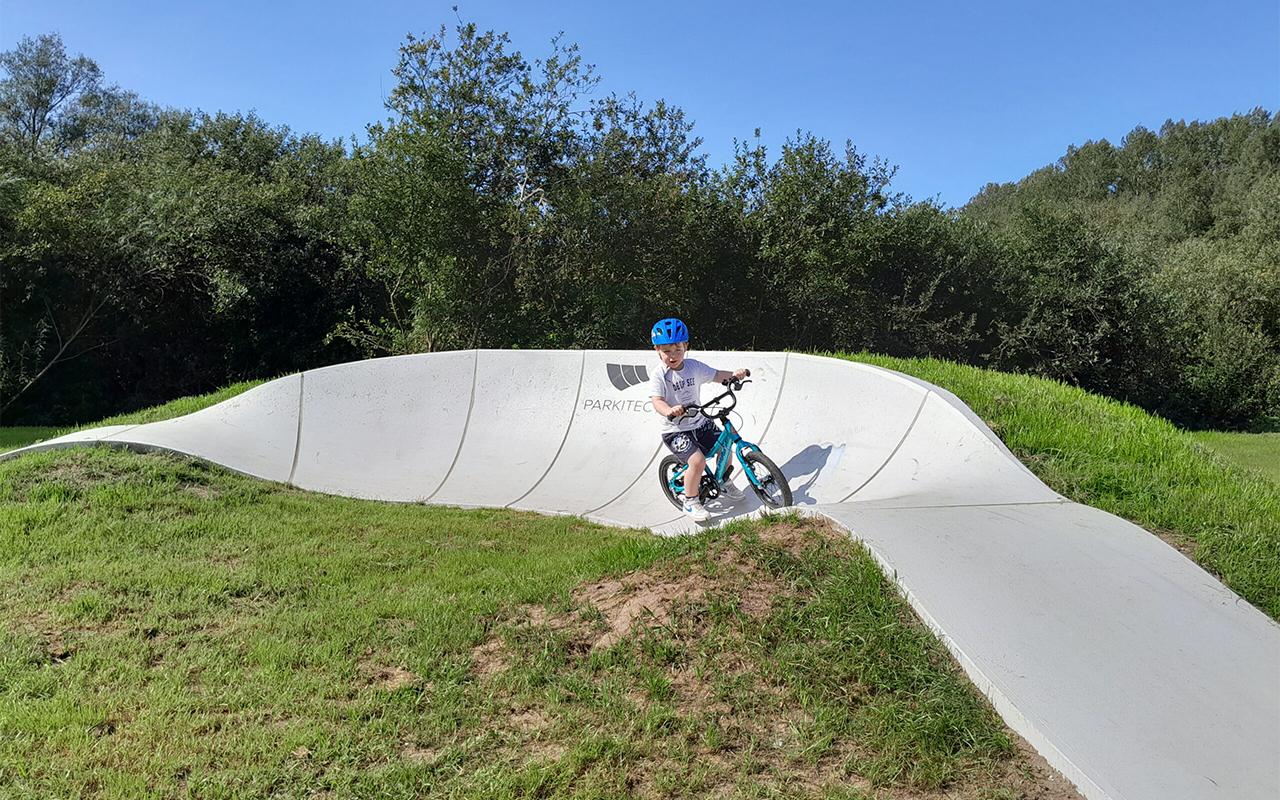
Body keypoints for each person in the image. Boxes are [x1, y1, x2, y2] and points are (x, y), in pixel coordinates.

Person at [647, 318, 749, 522]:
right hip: (675, 430)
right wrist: (669, 410)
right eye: (667, 351)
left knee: (724, 445)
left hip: (700, 423)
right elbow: (657, 401)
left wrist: (735, 375)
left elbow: (717, 375)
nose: (673, 356)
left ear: (686, 346)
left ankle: (724, 481)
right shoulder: (659, 374)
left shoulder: (693, 366)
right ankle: (691, 501)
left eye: (678, 349)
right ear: (657, 350)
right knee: (697, 461)